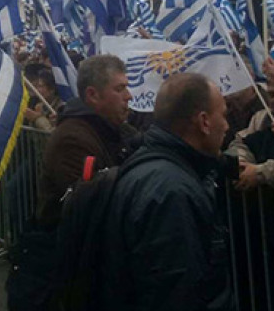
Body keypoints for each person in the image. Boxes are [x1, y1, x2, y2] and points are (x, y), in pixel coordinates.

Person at [98, 73, 233, 310]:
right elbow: (178, 292)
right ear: (204, 122)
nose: (227, 125)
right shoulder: (172, 192)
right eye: (223, 115)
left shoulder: (153, 167)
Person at [36, 55, 136, 228]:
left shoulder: (119, 128)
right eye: (120, 89)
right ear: (92, 95)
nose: (129, 96)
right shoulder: (71, 140)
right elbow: (94, 208)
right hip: (75, 247)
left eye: (127, 88)